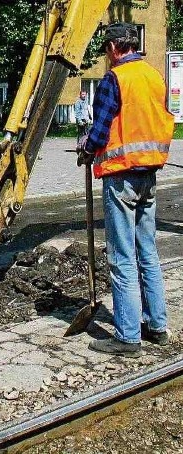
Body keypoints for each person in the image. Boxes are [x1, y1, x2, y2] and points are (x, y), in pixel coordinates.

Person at [77, 23, 174, 358]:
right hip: (149, 174)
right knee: (147, 251)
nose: (106, 56)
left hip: (121, 178)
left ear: (115, 47)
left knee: (121, 258)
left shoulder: (115, 79)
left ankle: (128, 336)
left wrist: (87, 150)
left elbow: (102, 129)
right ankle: (157, 326)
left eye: (106, 49)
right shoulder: (153, 76)